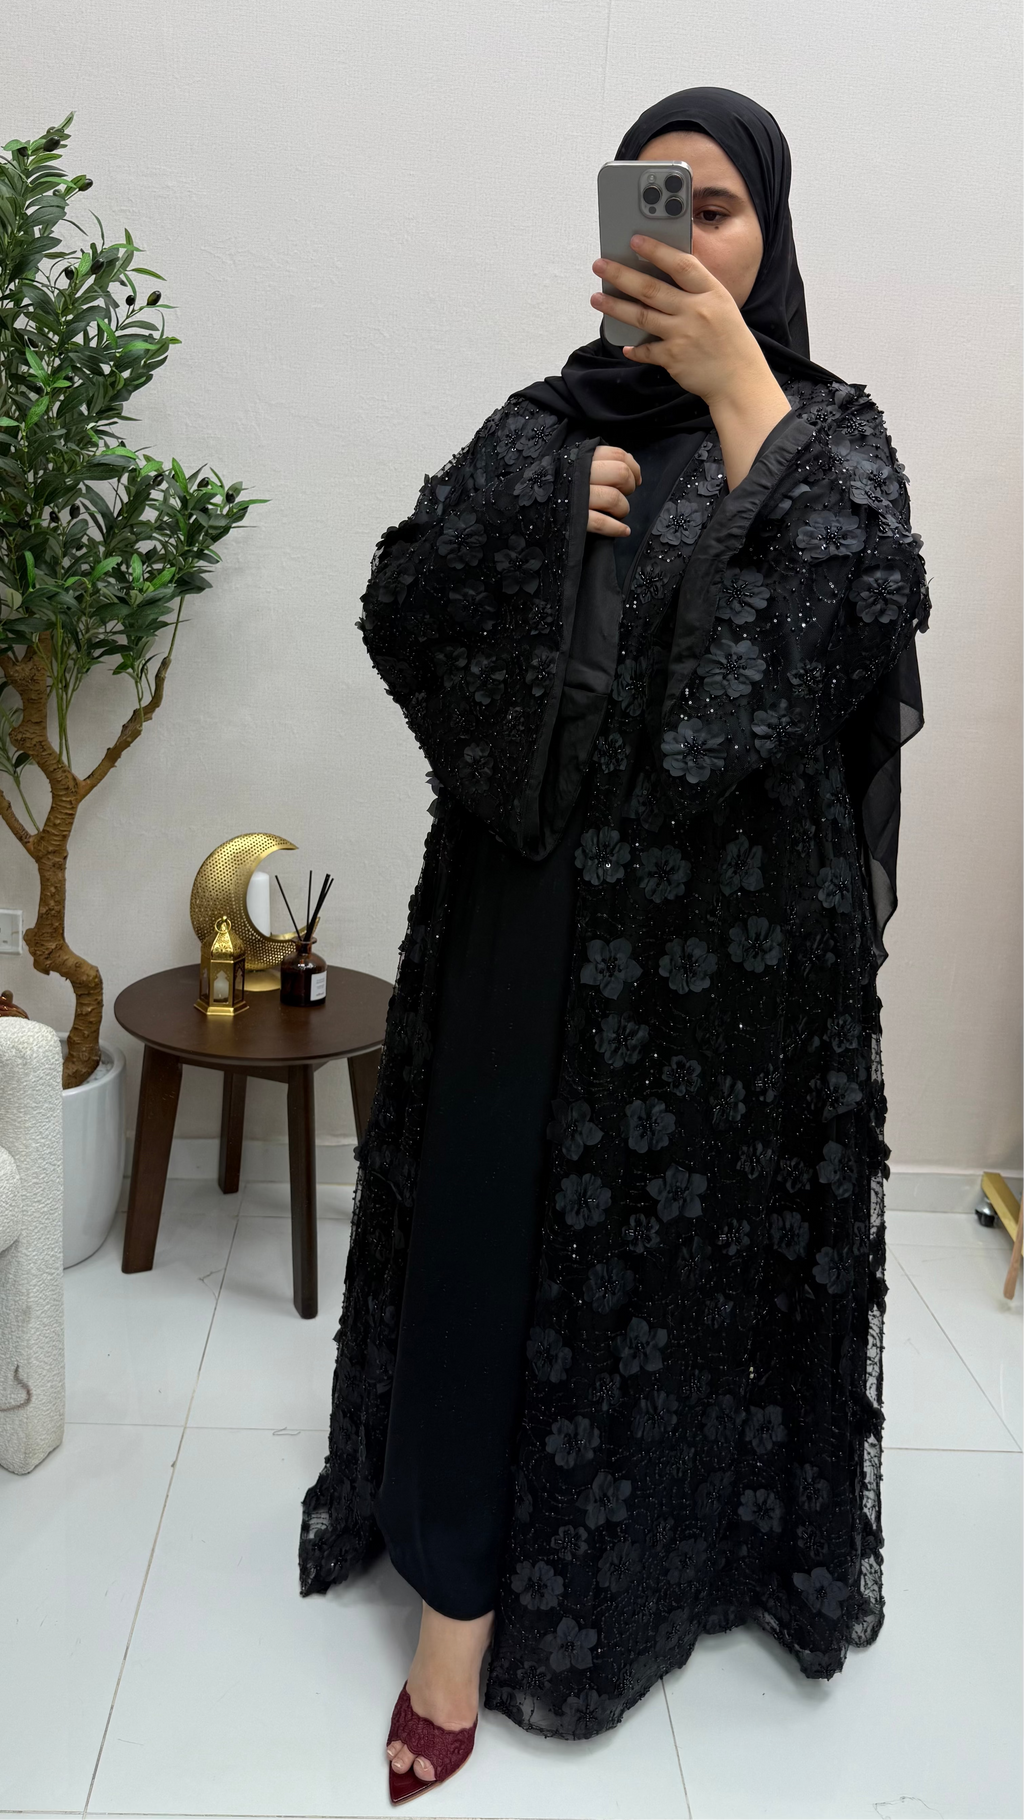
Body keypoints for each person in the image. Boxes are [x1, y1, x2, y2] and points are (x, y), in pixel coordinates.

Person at [298, 86, 930, 1799]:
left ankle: (667, 1560)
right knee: (495, 1243)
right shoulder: (544, 416)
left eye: (721, 208)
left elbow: (851, 633)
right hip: (534, 909)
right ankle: (457, 1606)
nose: (690, 235)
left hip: (722, 969)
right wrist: (531, 537)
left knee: (674, 1264)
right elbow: (401, 597)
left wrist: (739, 399)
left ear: (769, 235)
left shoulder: (830, 428)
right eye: (663, 204)